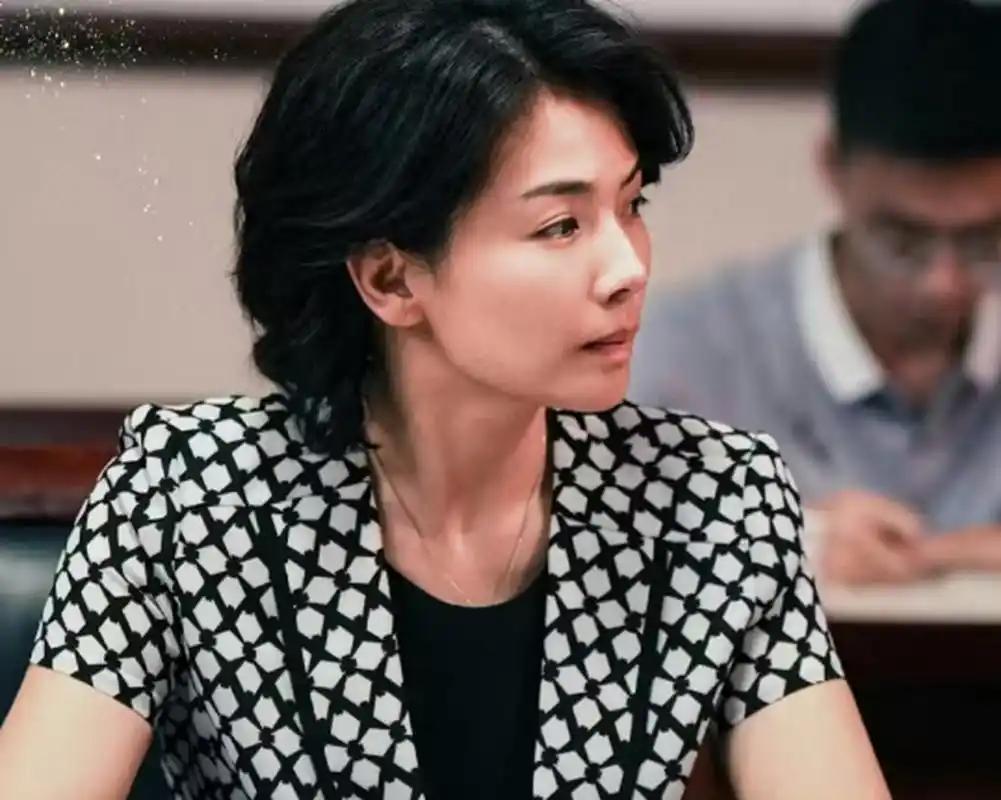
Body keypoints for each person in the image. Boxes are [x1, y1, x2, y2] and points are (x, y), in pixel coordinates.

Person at [0, 1, 889, 797]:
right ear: (390, 279)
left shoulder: (714, 500)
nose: (627, 268)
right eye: (560, 226)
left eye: (631, 205)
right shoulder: (187, 495)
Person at [631, 0, 1001, 587]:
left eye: (984, 241)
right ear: (833, 168)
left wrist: (934, 555)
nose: (944, 282)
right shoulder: (689, 356)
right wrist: (793, 539)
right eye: (904, 241)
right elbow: (595, 552)